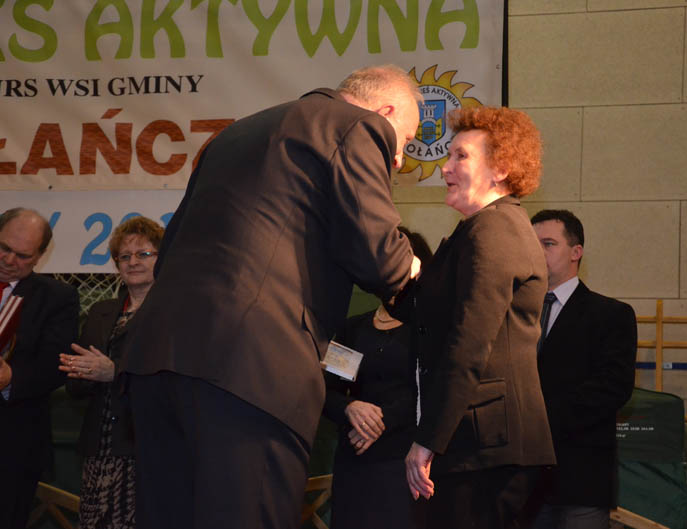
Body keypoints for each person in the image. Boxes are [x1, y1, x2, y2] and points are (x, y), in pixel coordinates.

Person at [119, 64, 423, 529]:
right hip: (251, 367)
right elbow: (381, 258)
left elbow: (170, 251)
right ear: (385, 113)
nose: (398, 160)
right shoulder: (357, 125)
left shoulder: (234, 134)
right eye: (405, 141)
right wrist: (419, 273)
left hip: (156, 362)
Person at [402, 107, 555, 529]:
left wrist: (428, 440)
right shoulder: (484, 228)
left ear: (501, 169)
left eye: (461, 156)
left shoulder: (494, 229)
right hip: (481, 446)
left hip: (486, 448)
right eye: (447, 156)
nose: (446, 168)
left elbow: (470, 343)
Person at [528, 210, 637, 529]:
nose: (538, 252)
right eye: (533, 244)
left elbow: (613, 386)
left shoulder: (610, 315)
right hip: (524, 481)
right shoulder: (515, 311)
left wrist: (540, 418)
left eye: (548, 244)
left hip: (581, 475)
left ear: (576, 252)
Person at [323, 228, 433, 529]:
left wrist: (381, 419)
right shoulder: (353, 328)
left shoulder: (429, 327)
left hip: (404, 460)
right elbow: (325, 390)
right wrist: (350, 408)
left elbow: (433, 389)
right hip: (354, 458)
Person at [59, 216, 164, 529]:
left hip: (146, 451)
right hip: (98, 451)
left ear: (163, 259)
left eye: (143, 254)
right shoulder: (100, 312)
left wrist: (113, 373)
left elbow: (172, 384)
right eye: (124, 256)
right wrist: (79, 372)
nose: (133, 262)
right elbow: (75, 391)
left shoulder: (173, 315)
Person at [0, 208, 80, 529]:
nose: (9, 260)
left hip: (12, 445)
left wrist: (10, 378)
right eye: (3, 248)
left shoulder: (58, 297)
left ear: (40, 256)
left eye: (22, 256)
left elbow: (56, 364)